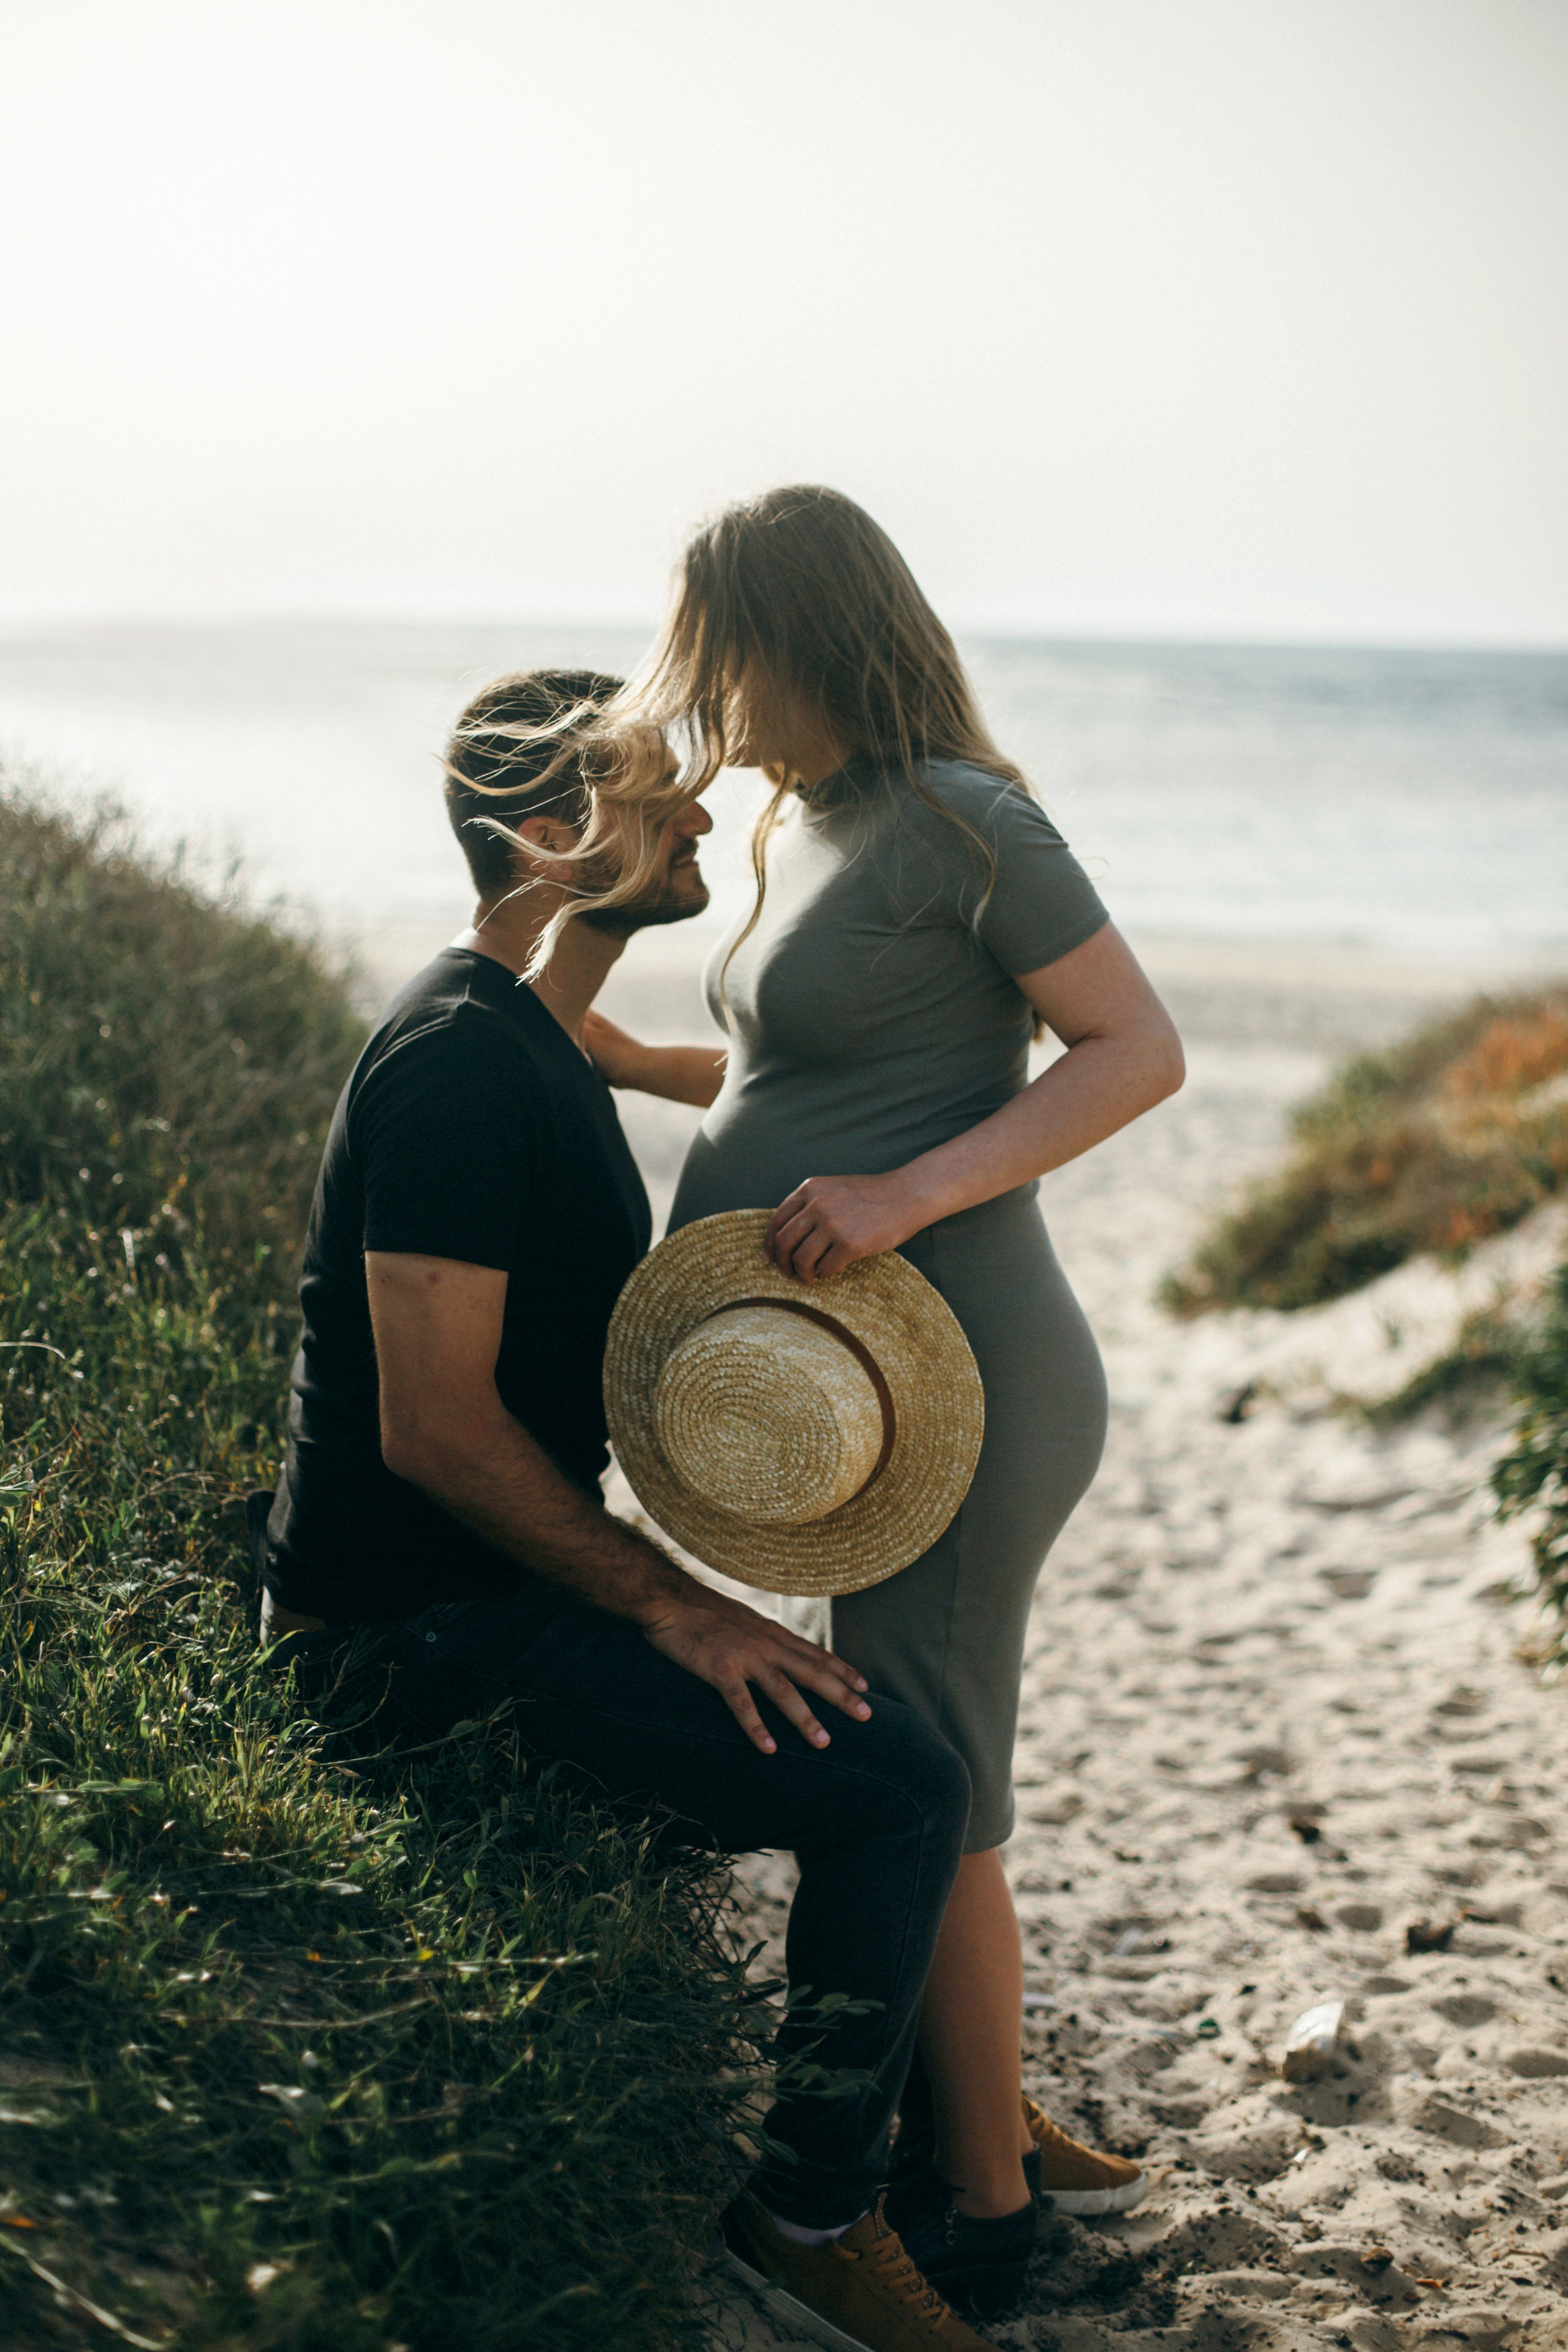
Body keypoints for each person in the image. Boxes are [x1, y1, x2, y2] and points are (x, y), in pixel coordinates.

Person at [255, 668, 1001, 2352]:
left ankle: (924, 2139)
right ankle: (808, 2220)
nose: (706, 812)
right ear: (544, 834)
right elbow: (435, 1431)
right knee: (900, 1791)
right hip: (402, 1651)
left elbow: (678, 1064)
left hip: (479, 1606)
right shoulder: (457, 1062)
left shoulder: (526, 1030)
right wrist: (676, 1603)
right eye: (661, 791)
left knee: (861, 1755)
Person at [579, 488, 1186, 2318]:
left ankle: (983, 2215)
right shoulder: (810, 820)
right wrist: (626, 1058)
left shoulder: (960, 820)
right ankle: (983, 2125)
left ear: (800, 636)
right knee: (942, 1768)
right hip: (847, 1384)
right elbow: (802, 1073)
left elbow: (1137, 1051)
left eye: (716, 650)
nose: (696, 691)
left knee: (938, 1790)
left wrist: (912, 1198)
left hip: (958, 1386)